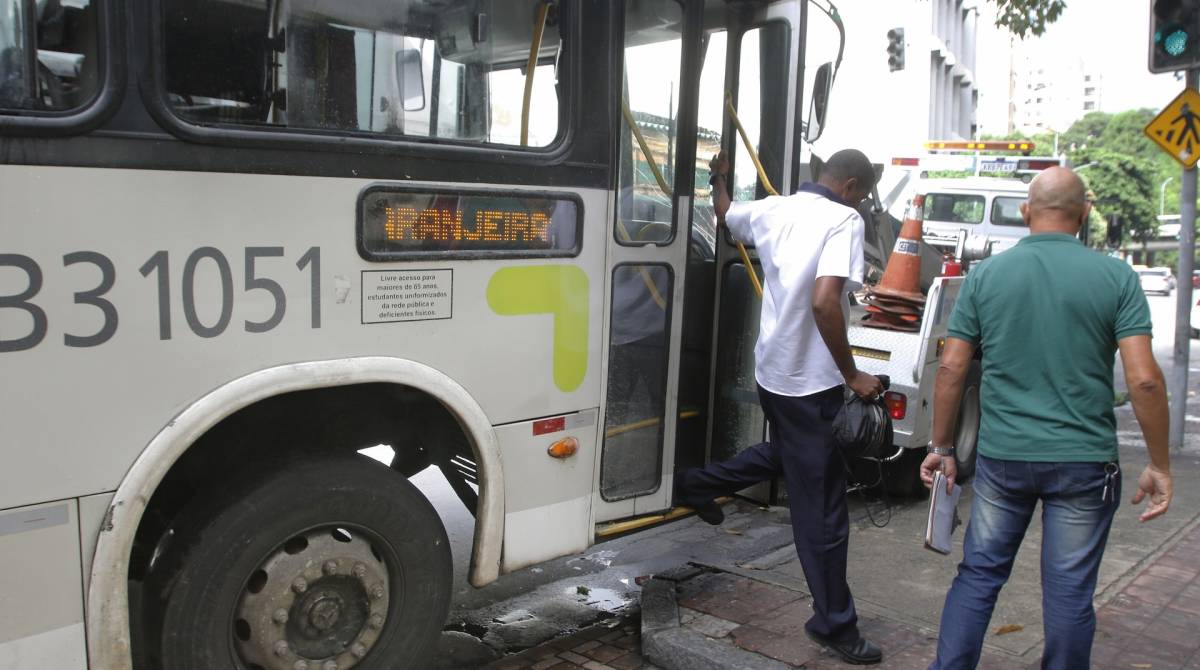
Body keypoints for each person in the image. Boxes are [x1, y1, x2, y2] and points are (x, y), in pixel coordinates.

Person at [920, 166, 1174, 669]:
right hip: (1084, 461)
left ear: (1027, 212)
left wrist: (942, 448)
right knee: (1068, 593)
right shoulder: (1116, 276)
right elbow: (1144, 379)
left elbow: (951, 368)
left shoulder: (986, 276)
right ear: (1085, 214)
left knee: (979, 575)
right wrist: (1160, 463)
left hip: (1003, 459)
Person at [673, 148, 885, 665]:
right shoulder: (844, 220)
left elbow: (725, 215)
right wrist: (852, 373)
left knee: (788, 454)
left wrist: (717, 178)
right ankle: (834, 625)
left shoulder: (773, 207)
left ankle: (694, 485)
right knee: (824, 514)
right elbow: (824, 300)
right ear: (853, 185)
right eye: (864, 192)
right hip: (811, 387)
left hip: (773, 375)